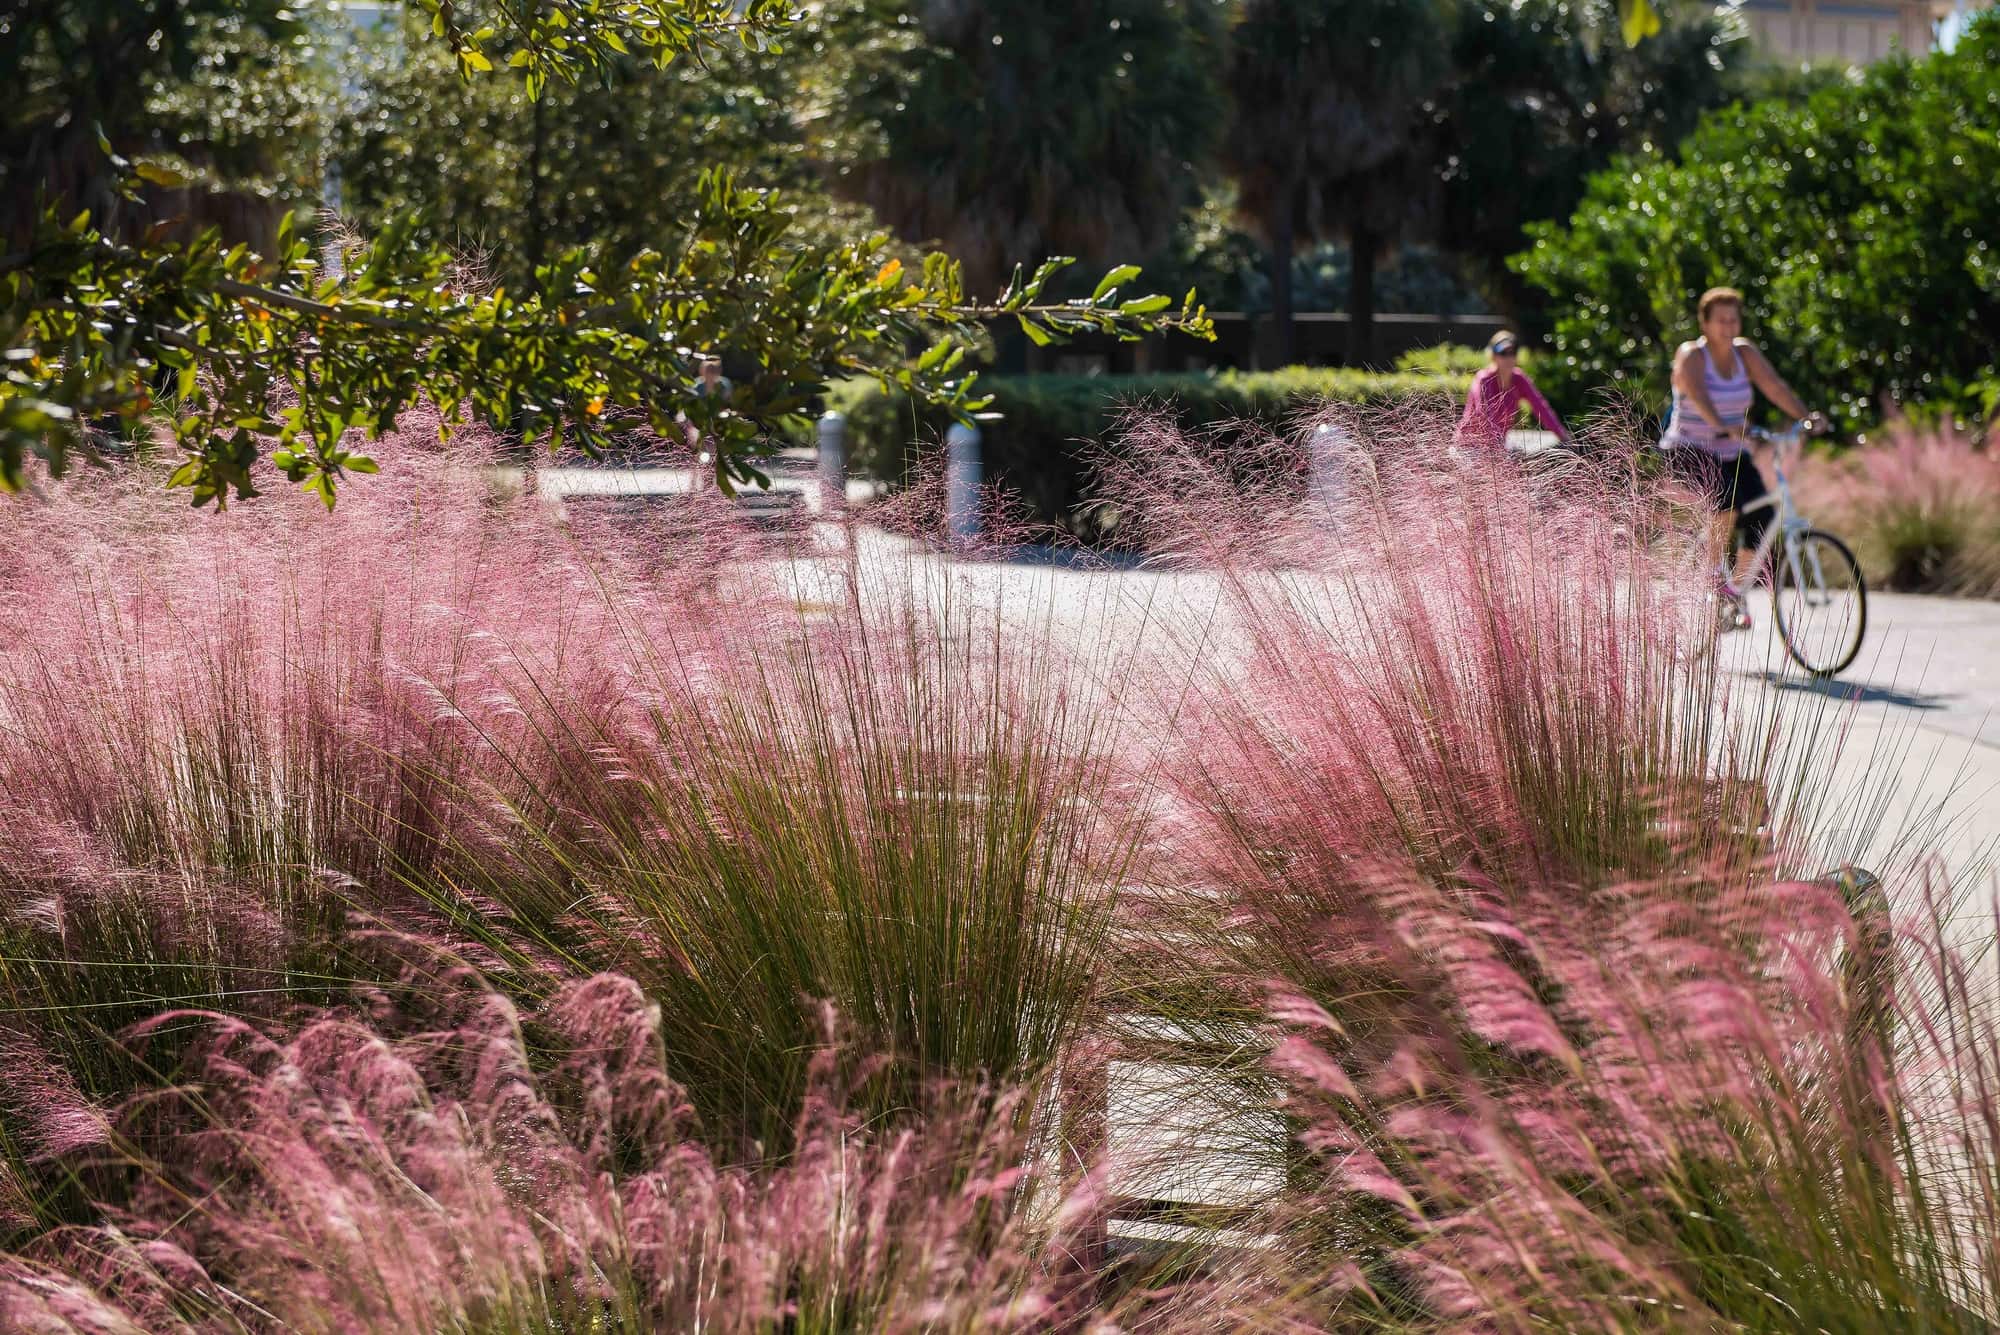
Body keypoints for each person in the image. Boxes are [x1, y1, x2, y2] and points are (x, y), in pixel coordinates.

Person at [1659, 287, 1825, 629]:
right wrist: (1724, 425)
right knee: (1726, 503)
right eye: (1720, 320)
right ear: (1704, 323)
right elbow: (1699, 395)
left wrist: (1805, 417)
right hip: (1688, 448)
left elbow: (1774, 387)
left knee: (1764, 515)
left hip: (1731, 450)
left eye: (1733, 318)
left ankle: (1733, 589)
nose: (1728, 325)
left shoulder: (1744, 353)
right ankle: (1710, 577)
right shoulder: (1691, 356)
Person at [1454, 331, 1570, 451]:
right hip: (1471, 445)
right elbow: (1485, 414)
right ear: (1493, 355)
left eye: (1512, 352)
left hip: (1497, 445)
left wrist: (1562, 435)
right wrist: (1498, 449)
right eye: (1503, 353)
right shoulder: (1484, 379)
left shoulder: (1519, 378)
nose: (1509, 357)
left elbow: (1540, 407)